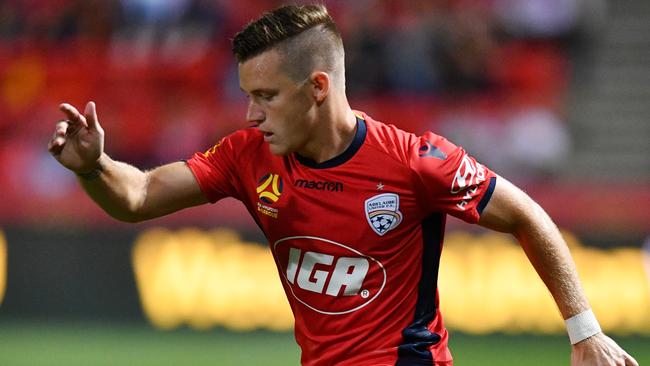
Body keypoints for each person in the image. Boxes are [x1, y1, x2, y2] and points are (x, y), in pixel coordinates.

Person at [47, 4, 637, 366]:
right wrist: (94, 167)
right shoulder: (248, 155)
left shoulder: (415, 163)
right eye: (248, 96)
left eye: (266, 96)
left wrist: (583, 331)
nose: (252, 115)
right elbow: (140, 196)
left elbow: (527, 214)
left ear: (318, 88)